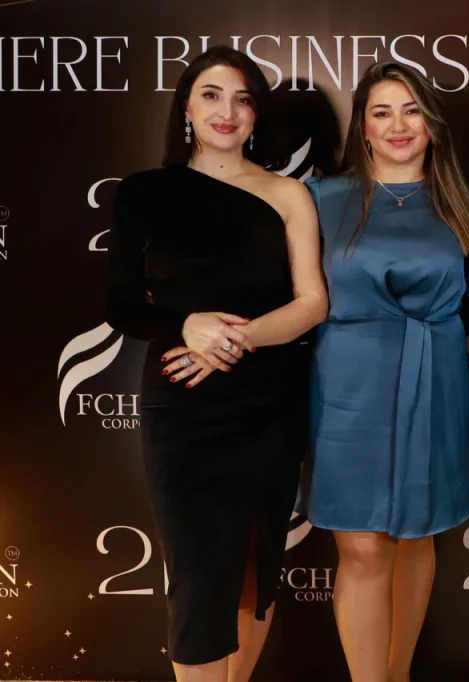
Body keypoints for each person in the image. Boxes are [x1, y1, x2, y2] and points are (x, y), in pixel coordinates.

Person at [104, 45, 328, 682]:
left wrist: (237, 338)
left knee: (256, 566)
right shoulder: (142, 193)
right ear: (185, 107)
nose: (226, 111)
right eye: (210, 95)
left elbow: (312, 303)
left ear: (256, 115)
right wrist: (186, 325)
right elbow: (122, 304)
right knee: (199, 577)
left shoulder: (287, 193)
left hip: (268, 402)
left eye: (242, 99)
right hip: (182, 406)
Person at [303, 62, 469, 682]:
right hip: (348, 384)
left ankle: (399, 673)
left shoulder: (466, 205)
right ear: (362, 127)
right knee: (362, 547)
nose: (398, 125)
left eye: (412, 110)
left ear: (433, 124)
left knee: (418, 536)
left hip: (435, 376)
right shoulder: (320, 199)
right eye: (382, 112)